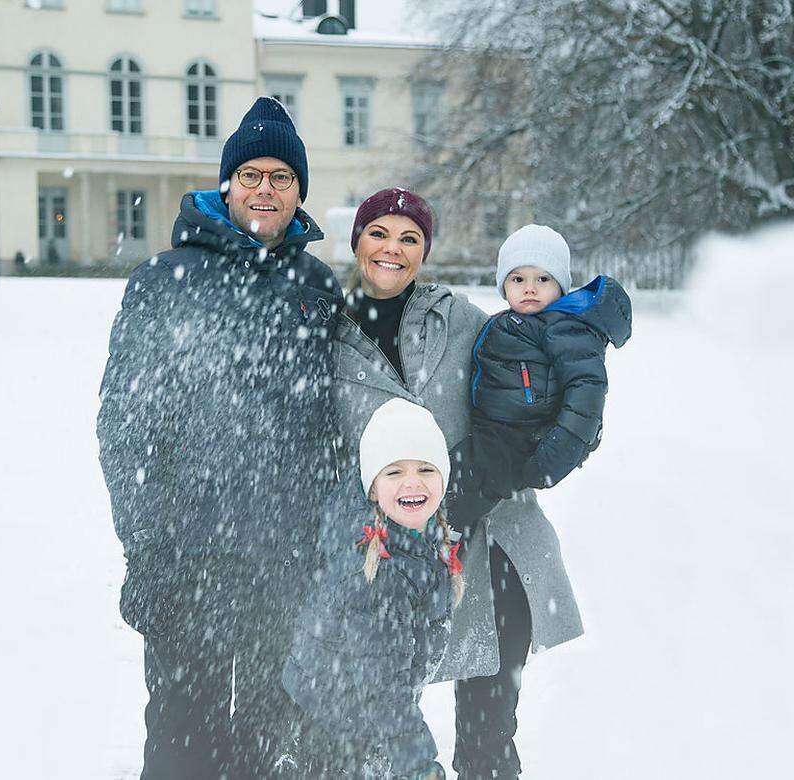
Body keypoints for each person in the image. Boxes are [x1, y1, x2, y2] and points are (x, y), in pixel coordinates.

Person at [95, 96, 343, 779]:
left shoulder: (318, 289)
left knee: (275, 749)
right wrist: (147, 549)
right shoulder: (164, 282)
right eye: (253, 174)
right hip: (188, 563)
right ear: (228, 183)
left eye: (282, 178)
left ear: (299, 193)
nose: (266, 189)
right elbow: (129, 426)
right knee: (184, 749)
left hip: (288, 568)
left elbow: (335, 430)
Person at [331, 188, 583, 780]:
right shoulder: (328, 340)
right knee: (384, 739)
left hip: (493, 544)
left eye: (409, 238)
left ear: (424, 251)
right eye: (379, 234)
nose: (392, 249)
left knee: (488, 737)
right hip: (386, 560)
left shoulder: (465, 321)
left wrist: (471, 486)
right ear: (357, 242)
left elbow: (539, 402)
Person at [273, 398, 462, 779]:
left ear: (443, 480)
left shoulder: (420, 538)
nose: (412, 481)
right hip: (334, 734)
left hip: (356, 720)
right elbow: (382, 684)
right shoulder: (377, 570)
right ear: (373, 488)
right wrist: (417, 762)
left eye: (426, 469)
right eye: (394, 472)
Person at [463, 223, 632, 508]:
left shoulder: (563, 327)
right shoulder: (514, 320)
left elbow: (587, 387)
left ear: (560, 287)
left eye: (542, 279)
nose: (529, 288)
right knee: (457, 471)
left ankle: (446, 533)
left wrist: (565, 443)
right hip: (493, 429)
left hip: (521, 437)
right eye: (518, 279)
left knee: (472, 481)